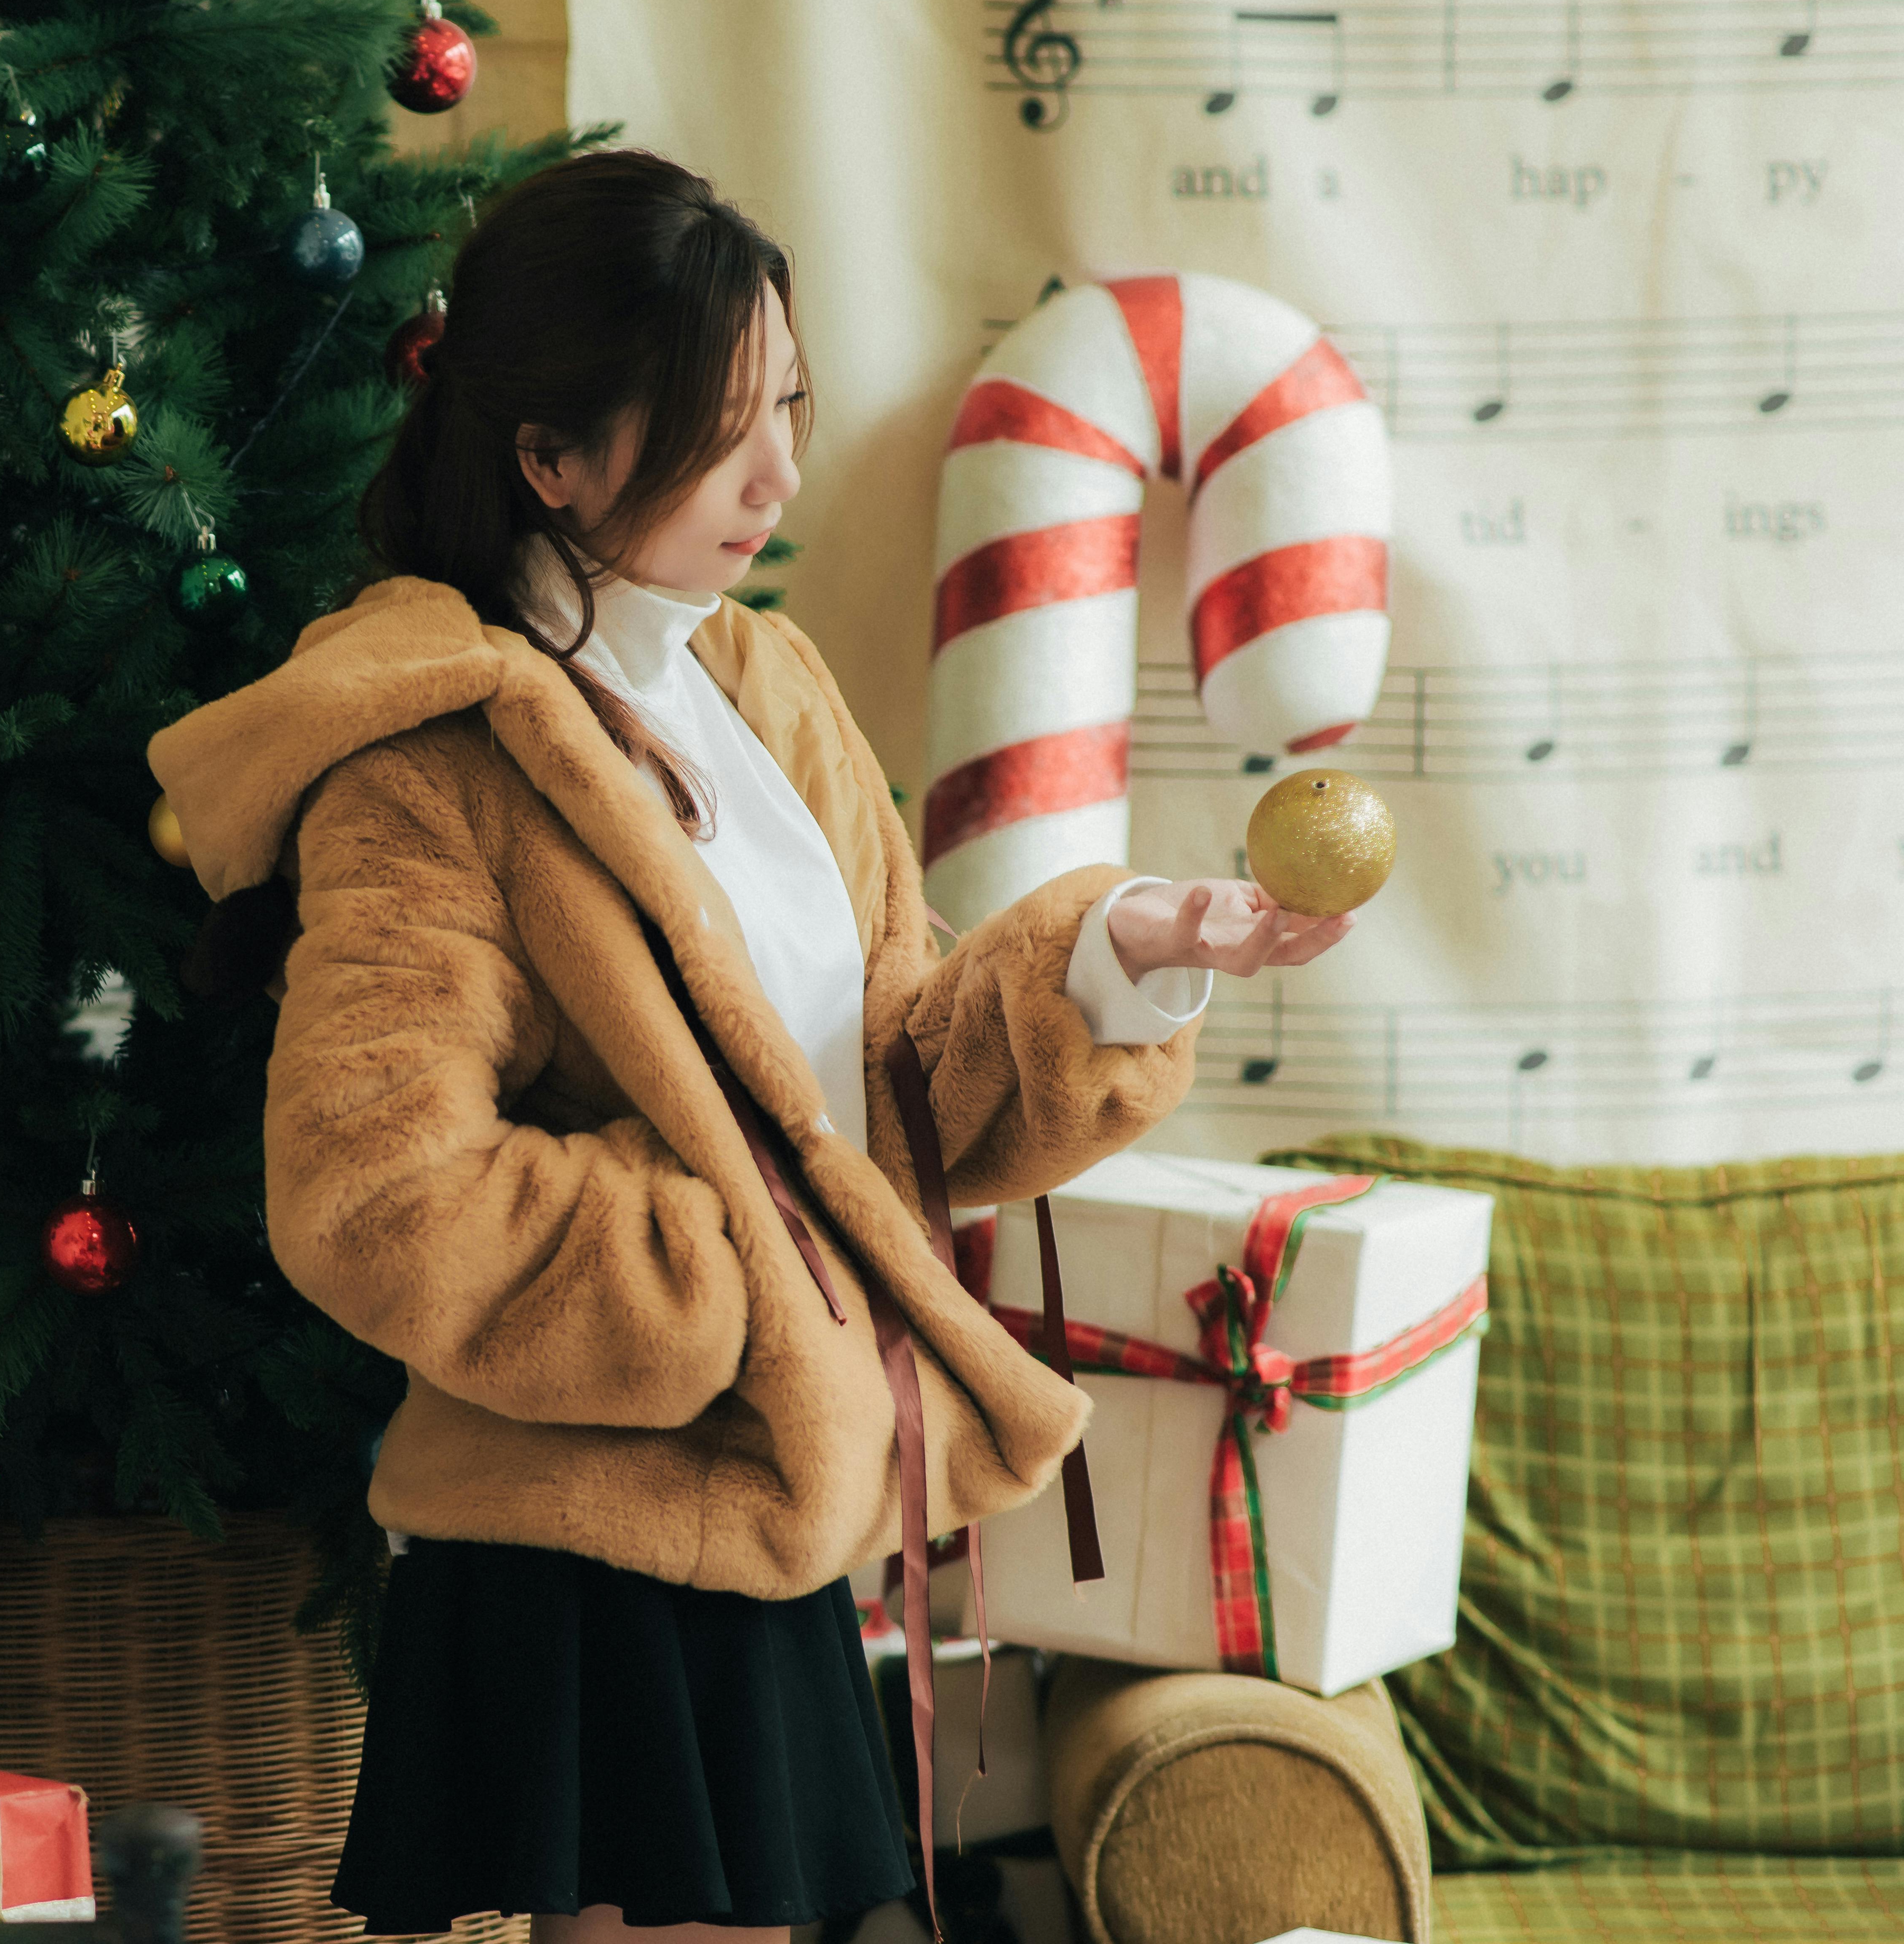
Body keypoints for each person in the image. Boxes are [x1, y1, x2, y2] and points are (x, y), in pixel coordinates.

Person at [144, 150, 1350, 1944]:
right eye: (722, 433)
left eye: (785, 404)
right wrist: (748, 1275)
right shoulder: (427, 767)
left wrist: (1120, 953)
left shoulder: (764, 686)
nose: (780, 474)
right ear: (549, 459)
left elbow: (890, 1090)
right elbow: (372, 1191)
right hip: (587, 1524)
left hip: (768, 1500)